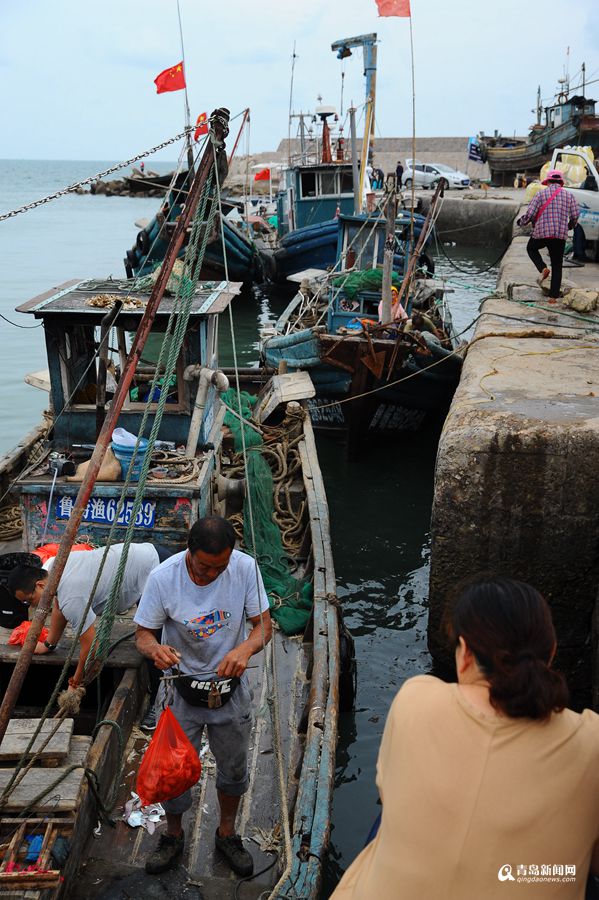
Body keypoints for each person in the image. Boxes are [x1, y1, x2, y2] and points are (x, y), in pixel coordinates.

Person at [331, 577, 599, 899]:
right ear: (552, 653)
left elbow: (389, 794)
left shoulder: (414, 698)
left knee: (384, 822)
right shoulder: (591, 741)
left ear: (465, 653)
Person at [134, 515, 272, 878]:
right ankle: (174, 834)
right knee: (173, 770)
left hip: (230, 692)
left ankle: (227, 833)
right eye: (204, 567)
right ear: (188, 552)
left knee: (234, 769)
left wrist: (244, 650)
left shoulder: (244, 569)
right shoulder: (164, 578)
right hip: (182, 692)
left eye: (219, 567)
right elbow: (143, 634)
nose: (212, 574)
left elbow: (263, 627)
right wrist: (155, 651)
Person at [8, 542, 163, 689]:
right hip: (144, 554)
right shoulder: (54, 565)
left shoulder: (71, 598)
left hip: (155, 567)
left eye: (30, 600)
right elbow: (58, 606)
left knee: (156, 645)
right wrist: (48, 645)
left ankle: (158, 699)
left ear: (40, 585)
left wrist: (76, 681)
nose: (32, 606)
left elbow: (91, 648)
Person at [517, 169, 580, 303]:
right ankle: (553, 297)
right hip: (559, 235)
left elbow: (530, 214)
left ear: (548, 181)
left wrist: (521, 222)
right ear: (560, 182)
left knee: (531, 249)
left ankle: (543, 268)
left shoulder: (540, 194)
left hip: (542, 233)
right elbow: (575, 216)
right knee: (557, 265)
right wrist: (569, 226)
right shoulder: (569, 196)